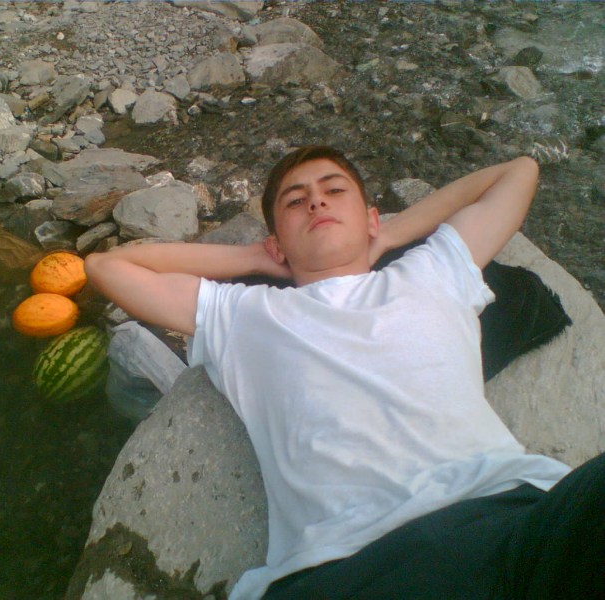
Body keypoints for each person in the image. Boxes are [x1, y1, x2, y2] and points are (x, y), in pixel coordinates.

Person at [84, 146, 603, 599]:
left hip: (512, 521)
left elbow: (519, 171)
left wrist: (393, 231)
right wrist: (254, 257)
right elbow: (109, 267)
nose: (316, 202)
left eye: (334, 190)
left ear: (370, 218)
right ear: (277, 242)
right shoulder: (242, 313)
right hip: (347, 568)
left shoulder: (432, 270)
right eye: (295, 201)